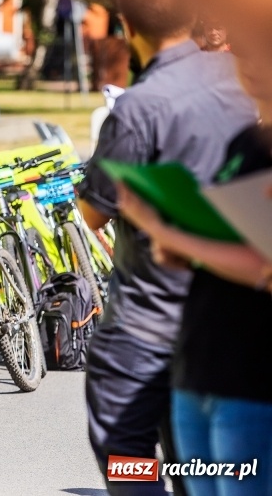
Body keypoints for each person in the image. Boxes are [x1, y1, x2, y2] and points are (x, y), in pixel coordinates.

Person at [75, 0, 258, 495]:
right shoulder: (245, 83)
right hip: (226, 318)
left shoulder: (140, 106)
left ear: (127, 25)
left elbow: (93, 212)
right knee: (205, 468)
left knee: (130, 459)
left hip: (146, 324)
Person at [115, 42, 272, 496]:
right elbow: (228, 244)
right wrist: (177, 246)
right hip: (198, 370)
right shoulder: (244, 143)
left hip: (252, 383)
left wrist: (172, 234)